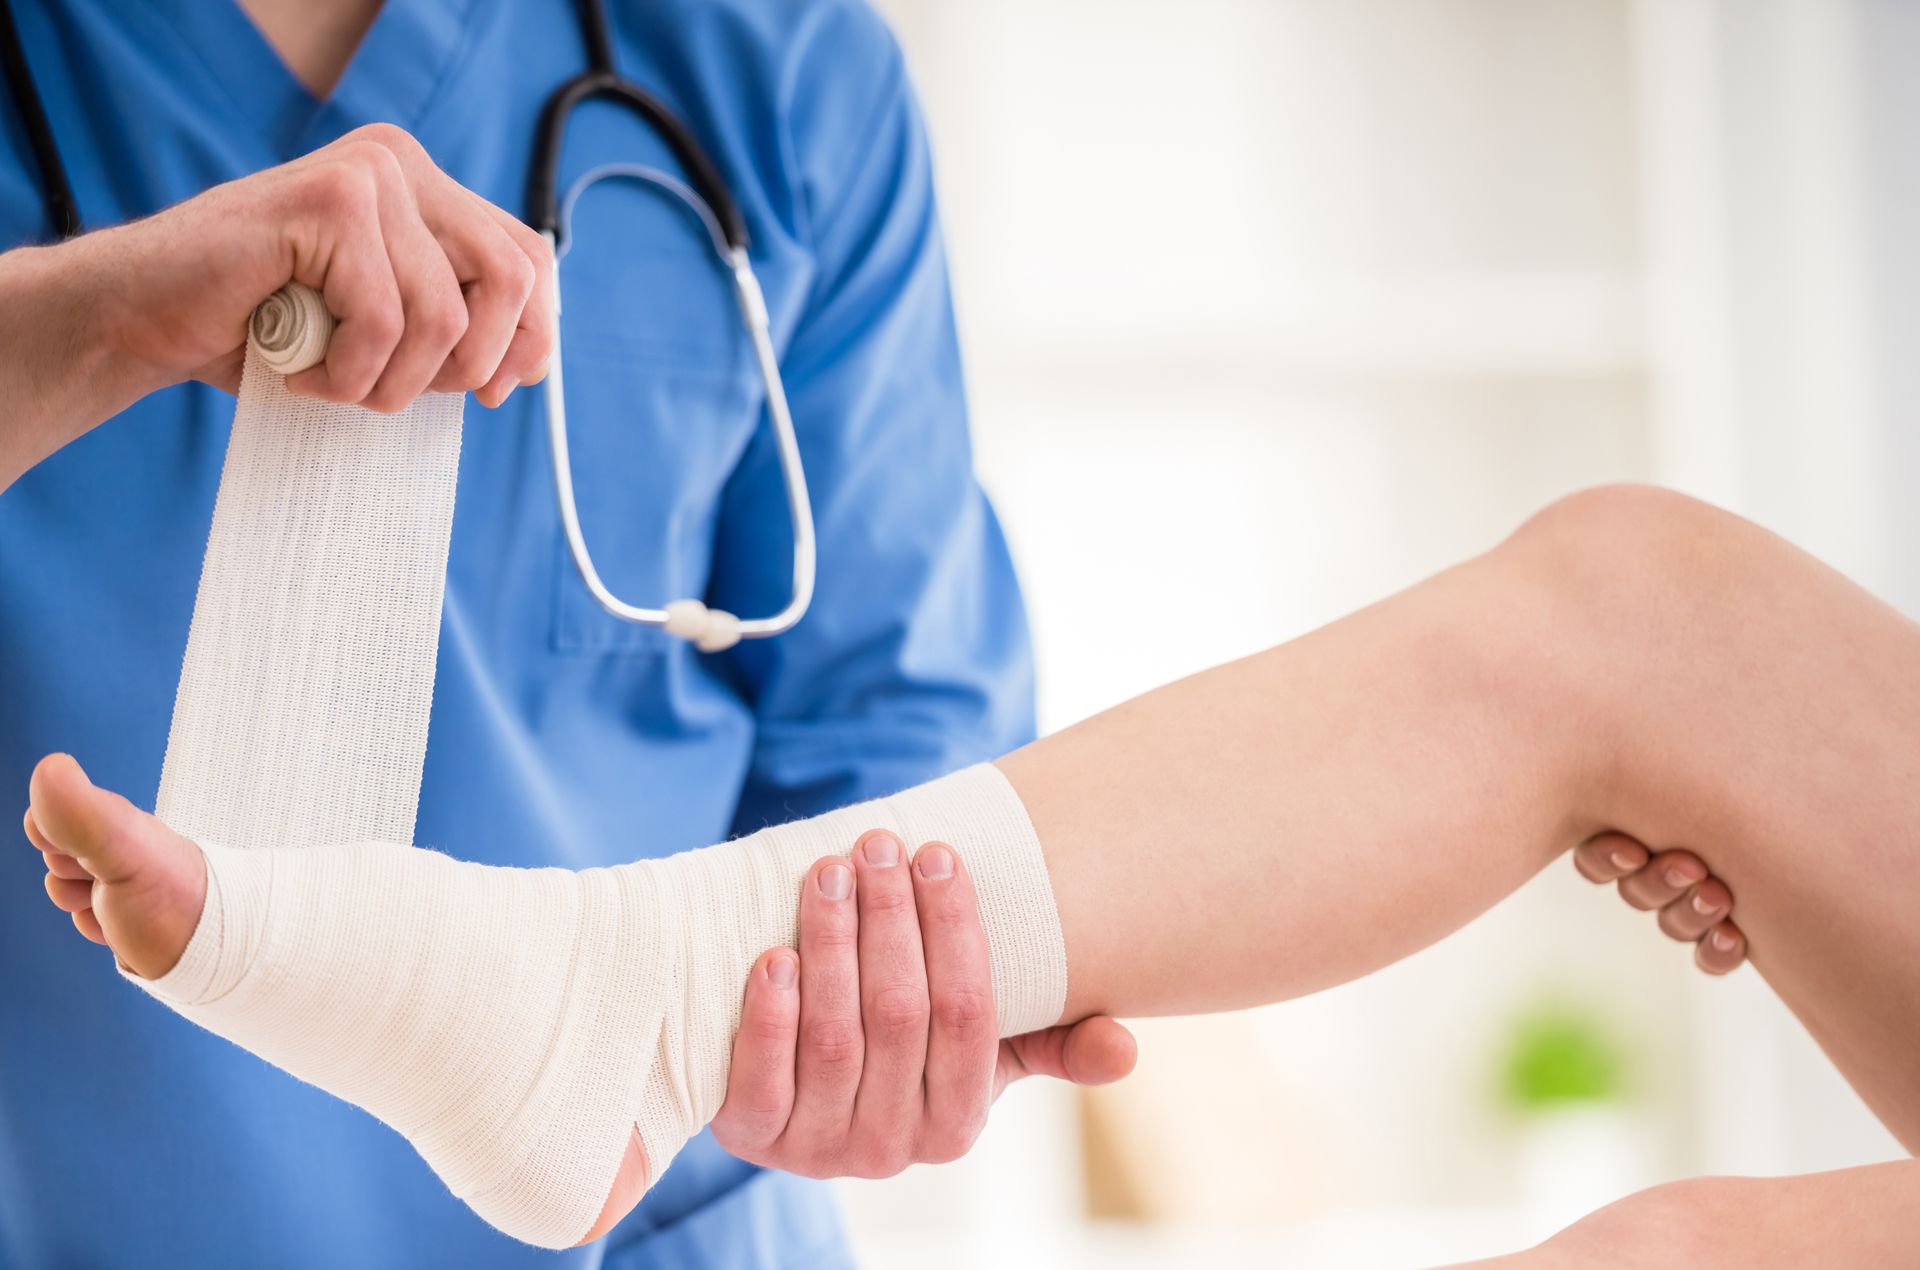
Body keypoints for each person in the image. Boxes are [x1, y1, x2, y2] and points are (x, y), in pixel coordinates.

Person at [23, 484, 1920, 1263]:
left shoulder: (760, 66)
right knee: (1647, 629)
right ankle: (635, 1008)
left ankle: (639, 1005)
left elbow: (887, 710)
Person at [0, 1, 1134, 1265]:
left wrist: (877, 1000)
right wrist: (81, 321)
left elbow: (901, 740)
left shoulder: (776, 63)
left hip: (661, 1215)